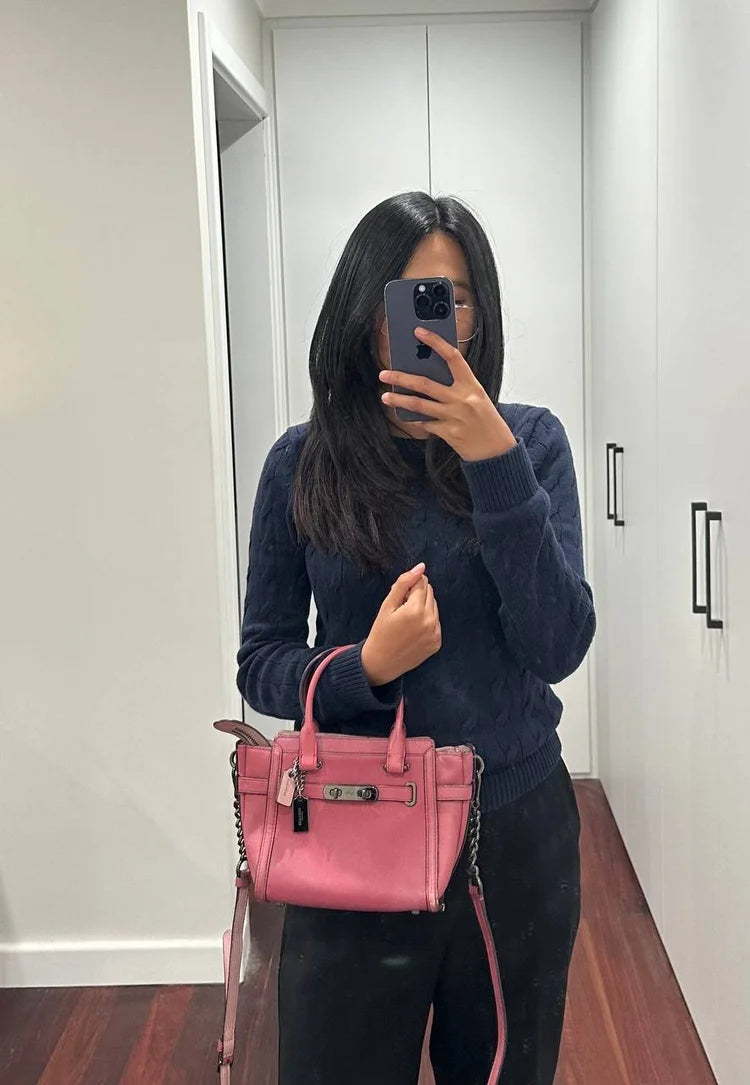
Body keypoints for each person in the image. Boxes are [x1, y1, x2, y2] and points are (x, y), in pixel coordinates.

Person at [236, 191, 596, 1085]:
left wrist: (494, 463)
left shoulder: (531, 444)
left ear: (479, 315)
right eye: (405, 294)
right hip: (354, 829)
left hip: (511, 835)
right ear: (363, 311)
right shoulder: (302, 462)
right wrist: (363, 668)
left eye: (454, 296)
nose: (433, 317)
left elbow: (558, 644)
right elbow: (262, 660)